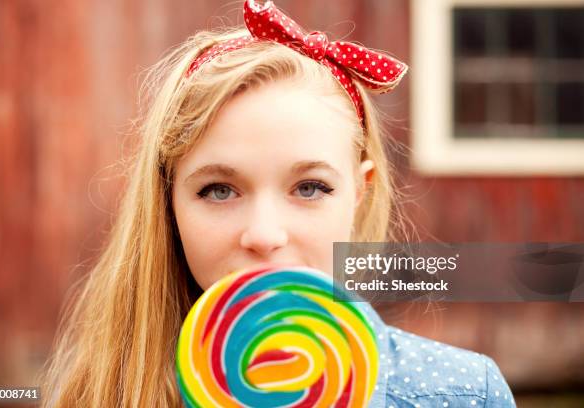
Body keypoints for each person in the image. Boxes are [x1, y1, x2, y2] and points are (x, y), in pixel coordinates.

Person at [41, 1, 515, 406]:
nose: (265, 236)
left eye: (309, 187)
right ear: (169, 205)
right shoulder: (97, 393)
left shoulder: (465, 394)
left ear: (358, 193)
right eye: (219, 190)